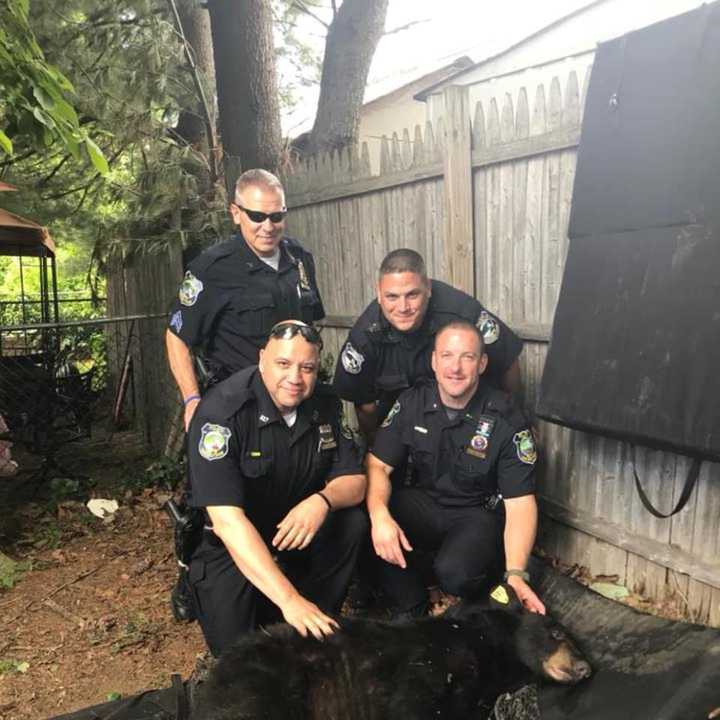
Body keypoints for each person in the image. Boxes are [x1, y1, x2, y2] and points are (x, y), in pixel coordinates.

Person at [185, 320, 367, 656]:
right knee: (238, 654)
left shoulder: (324, 405)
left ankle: (318, 617)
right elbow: (228, 522)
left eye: (307, 367)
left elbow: (355, 483)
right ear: (262, 359)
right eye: (283, 364)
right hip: (232, 543)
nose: (295, 378)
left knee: (350, 521)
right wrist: (290, 600)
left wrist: (322, 500)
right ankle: (271, 600)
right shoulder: (222, 413)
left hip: (294, 531)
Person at [365, 320, 545, 618]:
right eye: (447, 356)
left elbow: (520, 502)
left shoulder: (505, 417)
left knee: (457, 574)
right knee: (364, 515)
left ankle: (473, 580)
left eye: (467, 357)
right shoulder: (412, 402)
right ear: (434, 361)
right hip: (425, 503)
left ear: (482, 363)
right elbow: (378, 465)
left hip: (475, 513)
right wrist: (380, 516)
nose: (456, 368)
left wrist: (516, 574)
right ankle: (411, 606)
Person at [166, 168, 324, 432]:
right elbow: (177, 336)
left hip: (297, 406)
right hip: (240, 410)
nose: (268, 226)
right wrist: (192, 399)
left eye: (276, 216)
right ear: (236, 213)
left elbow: (313, 325)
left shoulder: (299, 258)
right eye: (257, 216)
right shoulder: (212, 269)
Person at [332, 249, 523, 441]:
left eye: (412, 295)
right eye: (392, 297)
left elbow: (507, 360)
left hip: (468, 420)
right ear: (379, 294)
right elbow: (364, 405)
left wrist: (518, 420)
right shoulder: (365, 337)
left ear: (428, 288)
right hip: (400, 426)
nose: (403, 307)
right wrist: (377, 448)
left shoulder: (462, 313)